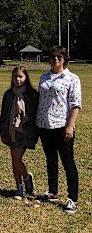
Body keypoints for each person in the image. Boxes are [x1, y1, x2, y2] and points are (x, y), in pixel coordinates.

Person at [36, 46, 81, 213]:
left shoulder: (72, 78)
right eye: (53, 57)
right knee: (51, 160)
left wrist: (70, 126)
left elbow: (75, 104)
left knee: (68, 162)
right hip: (44, 125)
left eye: (59, 57)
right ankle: (53, 191)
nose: (56, 59)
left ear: (64, 59)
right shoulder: (44, 77)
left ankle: (72, 199)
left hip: (62, 125)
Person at [0, 66, 39, 200]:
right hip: (11, 130)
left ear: (26, 78)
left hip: (25, 131)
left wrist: (35, 133)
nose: (17, 79)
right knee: (14, 160)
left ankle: (27, 178)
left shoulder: (32, 94)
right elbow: (3, 114)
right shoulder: (8, 94)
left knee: (17, 159)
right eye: (15, 76)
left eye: (20, 76)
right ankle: (19, 187)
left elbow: (35, 115)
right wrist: (3, 132)